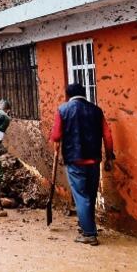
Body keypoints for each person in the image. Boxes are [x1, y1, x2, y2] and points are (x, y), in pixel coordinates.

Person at [49, 83, 115, 246]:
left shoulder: (63, 110)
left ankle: (89, 234)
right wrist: (109, 156)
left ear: (67, 95)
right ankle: (85, 224)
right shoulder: (96, 110)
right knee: (90, 195)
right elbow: (107, 135)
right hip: (94, 160)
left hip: (75, 159)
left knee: (81, 196)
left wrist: (56, 142)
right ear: (84, 94)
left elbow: (56, 135)